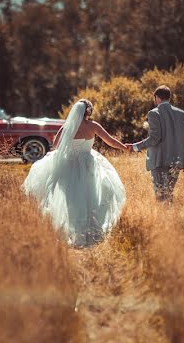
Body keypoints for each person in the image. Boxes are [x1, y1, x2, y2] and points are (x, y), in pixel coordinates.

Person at [22, 99, 130, 248]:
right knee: (90, 195)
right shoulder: (93, 126)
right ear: (89, 111)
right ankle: (91, 229)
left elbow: (56, 145)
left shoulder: (68, 126)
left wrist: (70, 144)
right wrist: (124, 147)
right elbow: (109, 141)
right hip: (88, 164)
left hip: (69, 164)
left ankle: (71, 229)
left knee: (70, 197)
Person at [131, 86, 184, 203]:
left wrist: (135, 147)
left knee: (160, 196)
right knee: (168, 194)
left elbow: (155, 138)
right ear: (168, 98)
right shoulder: (182, 114)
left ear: (157, 98)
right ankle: (170, 219)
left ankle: (165, 219)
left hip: (159, 160)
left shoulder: (154, 113)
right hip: (177, 161)